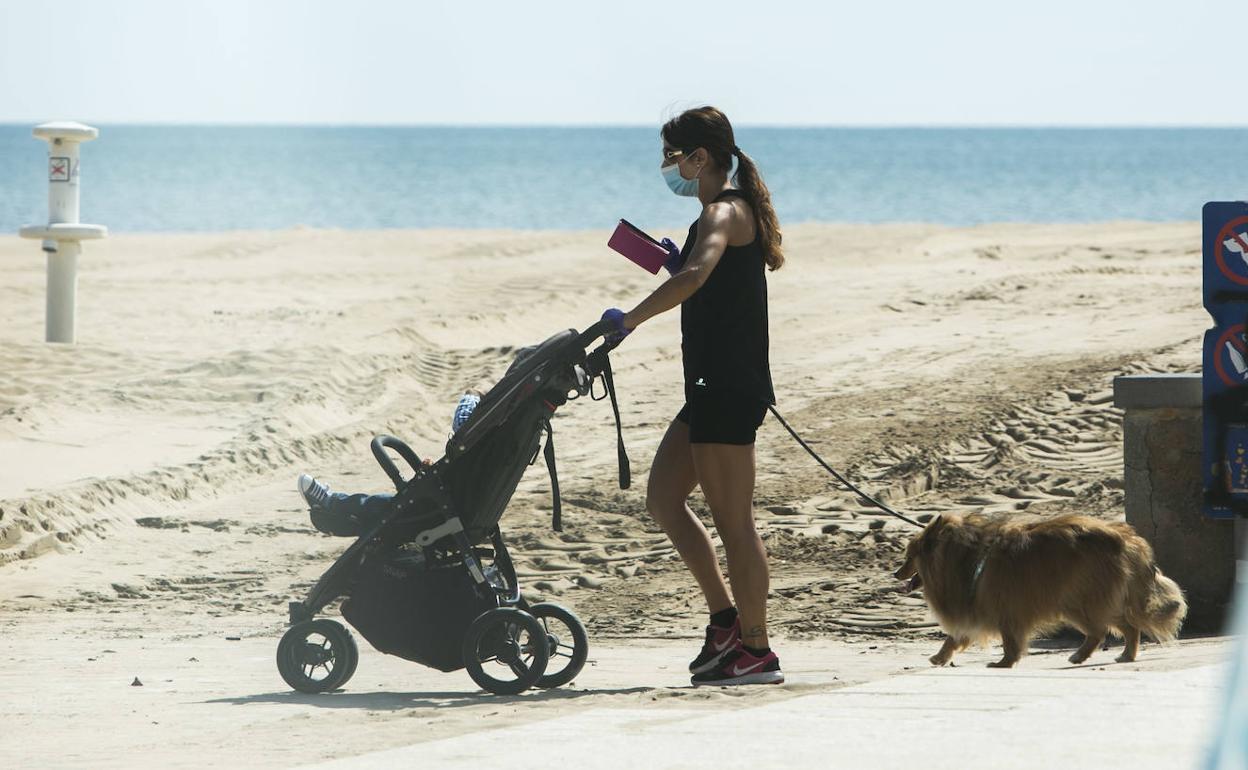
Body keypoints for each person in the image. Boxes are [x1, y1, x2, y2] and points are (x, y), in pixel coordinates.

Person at [601, 105, 785, 686]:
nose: (667, 167)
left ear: (698, 158)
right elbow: (701, 274)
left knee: (735, 521)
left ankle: (755, 652)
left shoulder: (723, 211)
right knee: (662, 497)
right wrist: (670, 260)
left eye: (670, 156)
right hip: (710, 385)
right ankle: (726, 620)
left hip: (729, 387)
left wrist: (629, 320)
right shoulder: (721, 213)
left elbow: (697, 277)